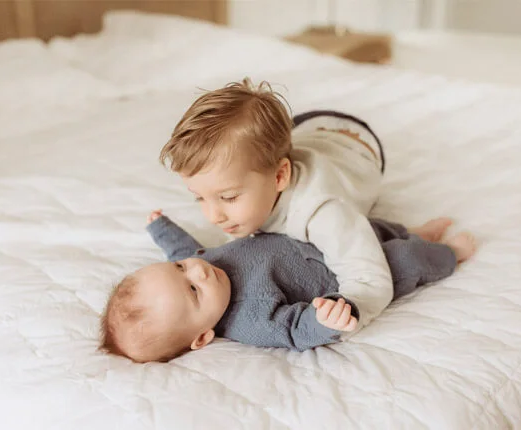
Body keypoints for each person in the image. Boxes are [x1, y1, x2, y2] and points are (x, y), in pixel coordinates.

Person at [159, 78, 394, 329]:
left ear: (280, 176)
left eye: (228, 197)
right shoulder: (244, 194)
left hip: (354, 142)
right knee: (256, 144)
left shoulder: (322, 211)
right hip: (304, 131)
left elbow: (370, 277)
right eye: (199, 197)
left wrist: (348, 307)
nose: (213, 216)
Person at [100, 210, 476, 363]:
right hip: (343, 272)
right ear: (202, 337)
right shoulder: (250, 320)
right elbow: (295, 330)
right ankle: (448, 254)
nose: (198, 271)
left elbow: (184, 250)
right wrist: (327, 318)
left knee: (365, 225)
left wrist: (161, 229)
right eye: (193, 291)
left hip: (320, 238)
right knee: (405, 261)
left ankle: (412, 232)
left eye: (180, 269)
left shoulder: (203, 262)